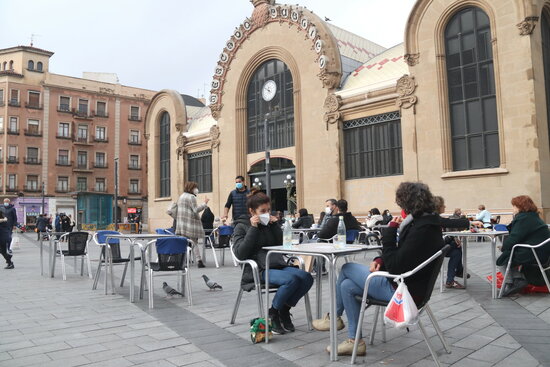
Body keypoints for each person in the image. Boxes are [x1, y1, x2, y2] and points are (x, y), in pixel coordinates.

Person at [313, 182, 445, 356]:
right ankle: (355, 341)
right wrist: (379, 259)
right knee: (346, 287)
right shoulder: (427, 225)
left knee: (346, 268)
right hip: (410, 286)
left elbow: (397, 265)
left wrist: (389, 233)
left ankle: (333, 317)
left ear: (406, 203)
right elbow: (405, 255)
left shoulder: (421, 229)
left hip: (402, 292)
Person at [233, 189, 313, 334]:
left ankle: (282, 310)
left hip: (276, 264)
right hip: (257, 269)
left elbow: (282, 245)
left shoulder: (270, 224)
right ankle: (273, 314)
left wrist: (275, 225)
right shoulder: (241, 226)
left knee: (306, 277)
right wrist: (253, 228)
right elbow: (240, 253)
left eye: (268, 210)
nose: (266, 214)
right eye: (262, 211)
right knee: (291, 280)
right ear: (252, 212)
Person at [497, 195, 550, 296]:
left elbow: (514, 238)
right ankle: (517, 279)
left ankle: (512, 282)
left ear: (520, 207)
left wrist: (504, 247)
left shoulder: (524, 219)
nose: (513, 208)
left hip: (534, 252)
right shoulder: (533, 216)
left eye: (514, 206)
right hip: (541, 251)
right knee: (507, 253)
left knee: (501, 259)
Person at [433, 196, 470, 289]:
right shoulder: (433, 217)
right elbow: (449, 223)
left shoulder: (434, 217)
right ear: (438, 206)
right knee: (457, 246)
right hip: (433, 249)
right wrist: (469, 223)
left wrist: (453, 238)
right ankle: (459, 271)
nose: (445, 206)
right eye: (443, 205)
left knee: (456, 253)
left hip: (438, 246)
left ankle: (450, 281)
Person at [176, 181, 209, 268]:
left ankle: (182, 261)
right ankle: (199, 261)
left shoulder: (181, 196)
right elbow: (195, 210)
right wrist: (204, 204)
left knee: (183, 242)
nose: (196, 189)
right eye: (195, 187)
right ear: (191, 188)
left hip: (182, 223)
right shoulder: (191, 197)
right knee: (194, 242)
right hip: (190, 223)